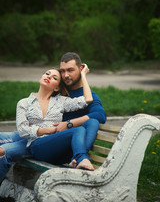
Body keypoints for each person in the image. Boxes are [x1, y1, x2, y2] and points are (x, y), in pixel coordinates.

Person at [0, 52, 106, 181]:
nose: (66, 75)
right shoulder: (58, 89)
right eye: (63, 71)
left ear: (80, 69)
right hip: (36, 134)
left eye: (70, 70)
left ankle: (80, 157)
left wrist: (68, 123)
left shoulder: (84, 95)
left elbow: (99, 115)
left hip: (56, 140)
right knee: (7, 138)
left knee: (4, 150)